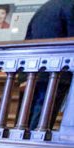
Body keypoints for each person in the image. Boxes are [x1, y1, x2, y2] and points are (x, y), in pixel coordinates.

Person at [24, 0, 73, 132]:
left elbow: (28, 39)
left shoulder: (45, 7)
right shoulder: (70, 6)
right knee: (43, 117)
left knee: (31, 115)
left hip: (35, 70)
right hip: (58, 71)